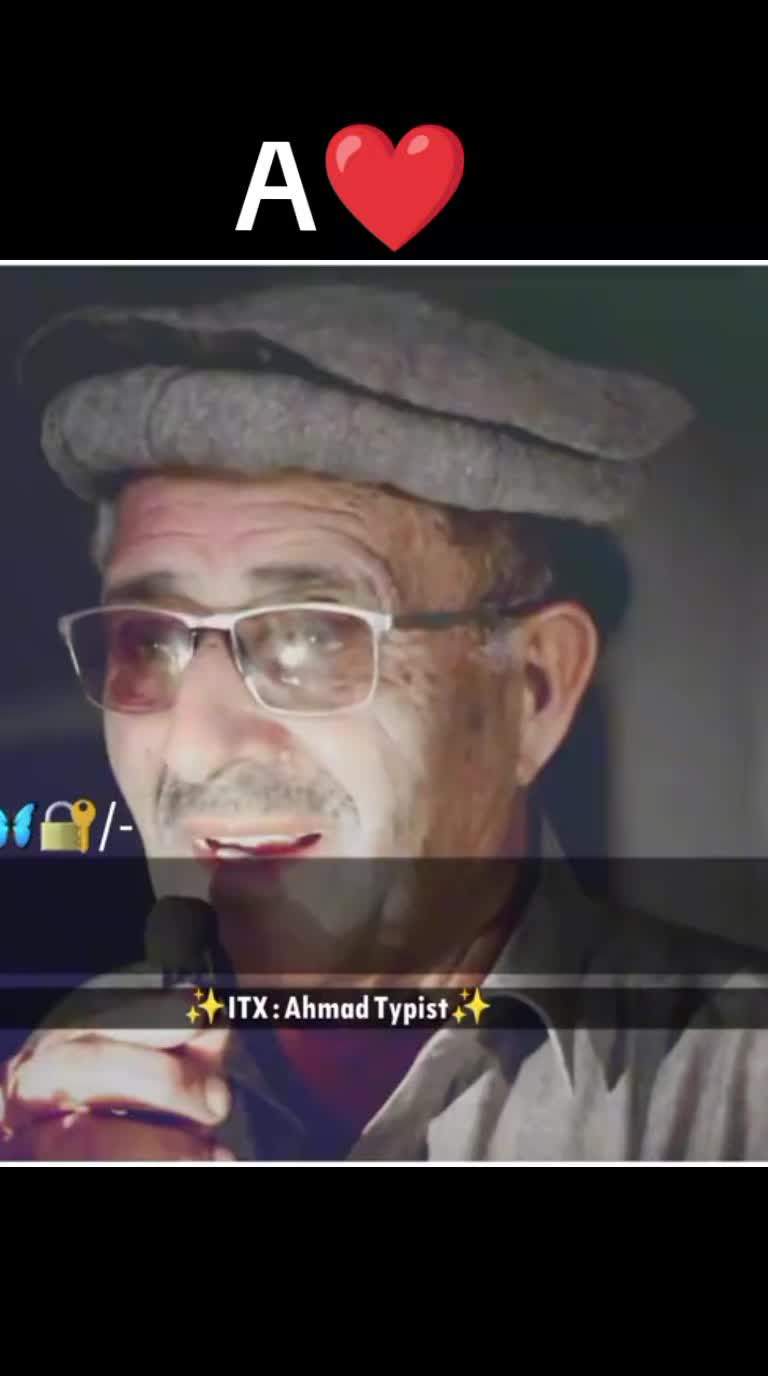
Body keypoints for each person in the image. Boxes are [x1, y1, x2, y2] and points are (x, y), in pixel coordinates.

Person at [1, 281, 764, 1161]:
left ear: (534, 691)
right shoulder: (59, 1094)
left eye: (313, 636)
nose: (195, 744)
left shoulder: (737, 1098)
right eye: (148, 639)